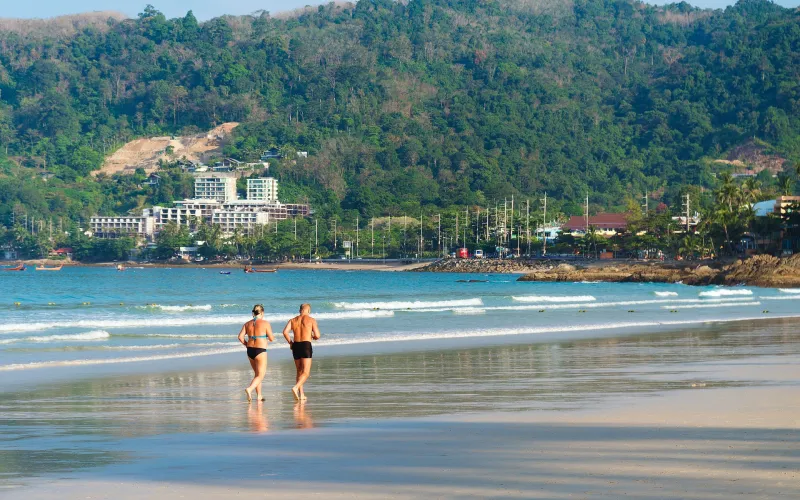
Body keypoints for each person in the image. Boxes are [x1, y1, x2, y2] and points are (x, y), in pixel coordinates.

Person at [282, 303, 321, 401]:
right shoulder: (311, 320)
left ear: (300, 310)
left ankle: (301, 394)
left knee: (299, 371)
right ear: (309, 311)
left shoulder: (292, 320)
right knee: (306, 372)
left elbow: (285, 332)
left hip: (296, 345)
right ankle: (295, 387)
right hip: (306, 345)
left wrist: (290, 343)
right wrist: (313, 337)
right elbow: (317, 335)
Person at [238, 304, 274, 402]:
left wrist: (246, 344)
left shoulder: (247, 324)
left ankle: (259, 396)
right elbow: (271, 338)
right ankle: (249, 389)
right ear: (262, 313)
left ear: (253, 313)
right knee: (260, 375)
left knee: (257, 374)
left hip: (250, 350)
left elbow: (240, 337)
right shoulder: (265, 323)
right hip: (260, 350)